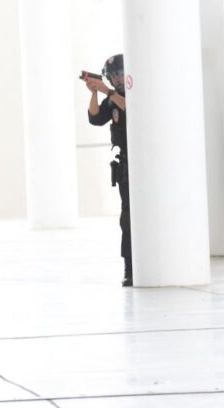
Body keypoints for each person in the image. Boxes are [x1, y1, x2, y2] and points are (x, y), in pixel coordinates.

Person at [86, 54, 131, 286]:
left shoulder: (132, 94)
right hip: (124, 165)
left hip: (143, 163)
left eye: (120, 73)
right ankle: (129, 266)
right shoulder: (111, 99)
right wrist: (94, 91)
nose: (117, 79)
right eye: (113, 76)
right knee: (127, 217)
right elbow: (95, 118)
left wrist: (106, 91)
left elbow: (133, 109)